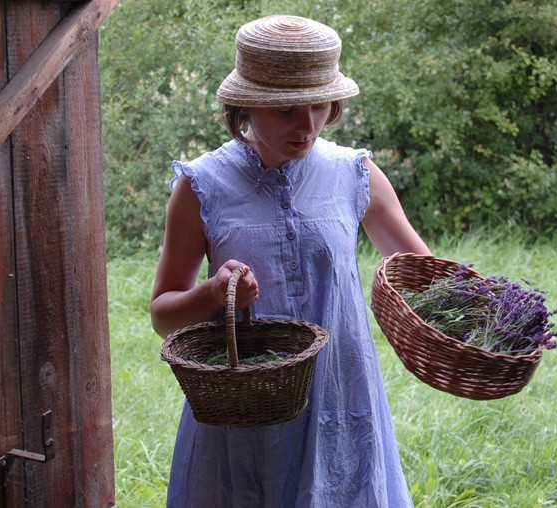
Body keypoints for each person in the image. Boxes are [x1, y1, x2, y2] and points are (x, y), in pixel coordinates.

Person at [150, 14, 432, 507]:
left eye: (319, 105)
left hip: (340, 394)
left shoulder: (354, 174)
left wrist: (497, 320)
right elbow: (162, 313)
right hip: (243, 406)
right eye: (285, 110)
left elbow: (424, 275)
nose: (307, 125)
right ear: (246, 105)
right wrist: (213, 293)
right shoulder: (201, 187)